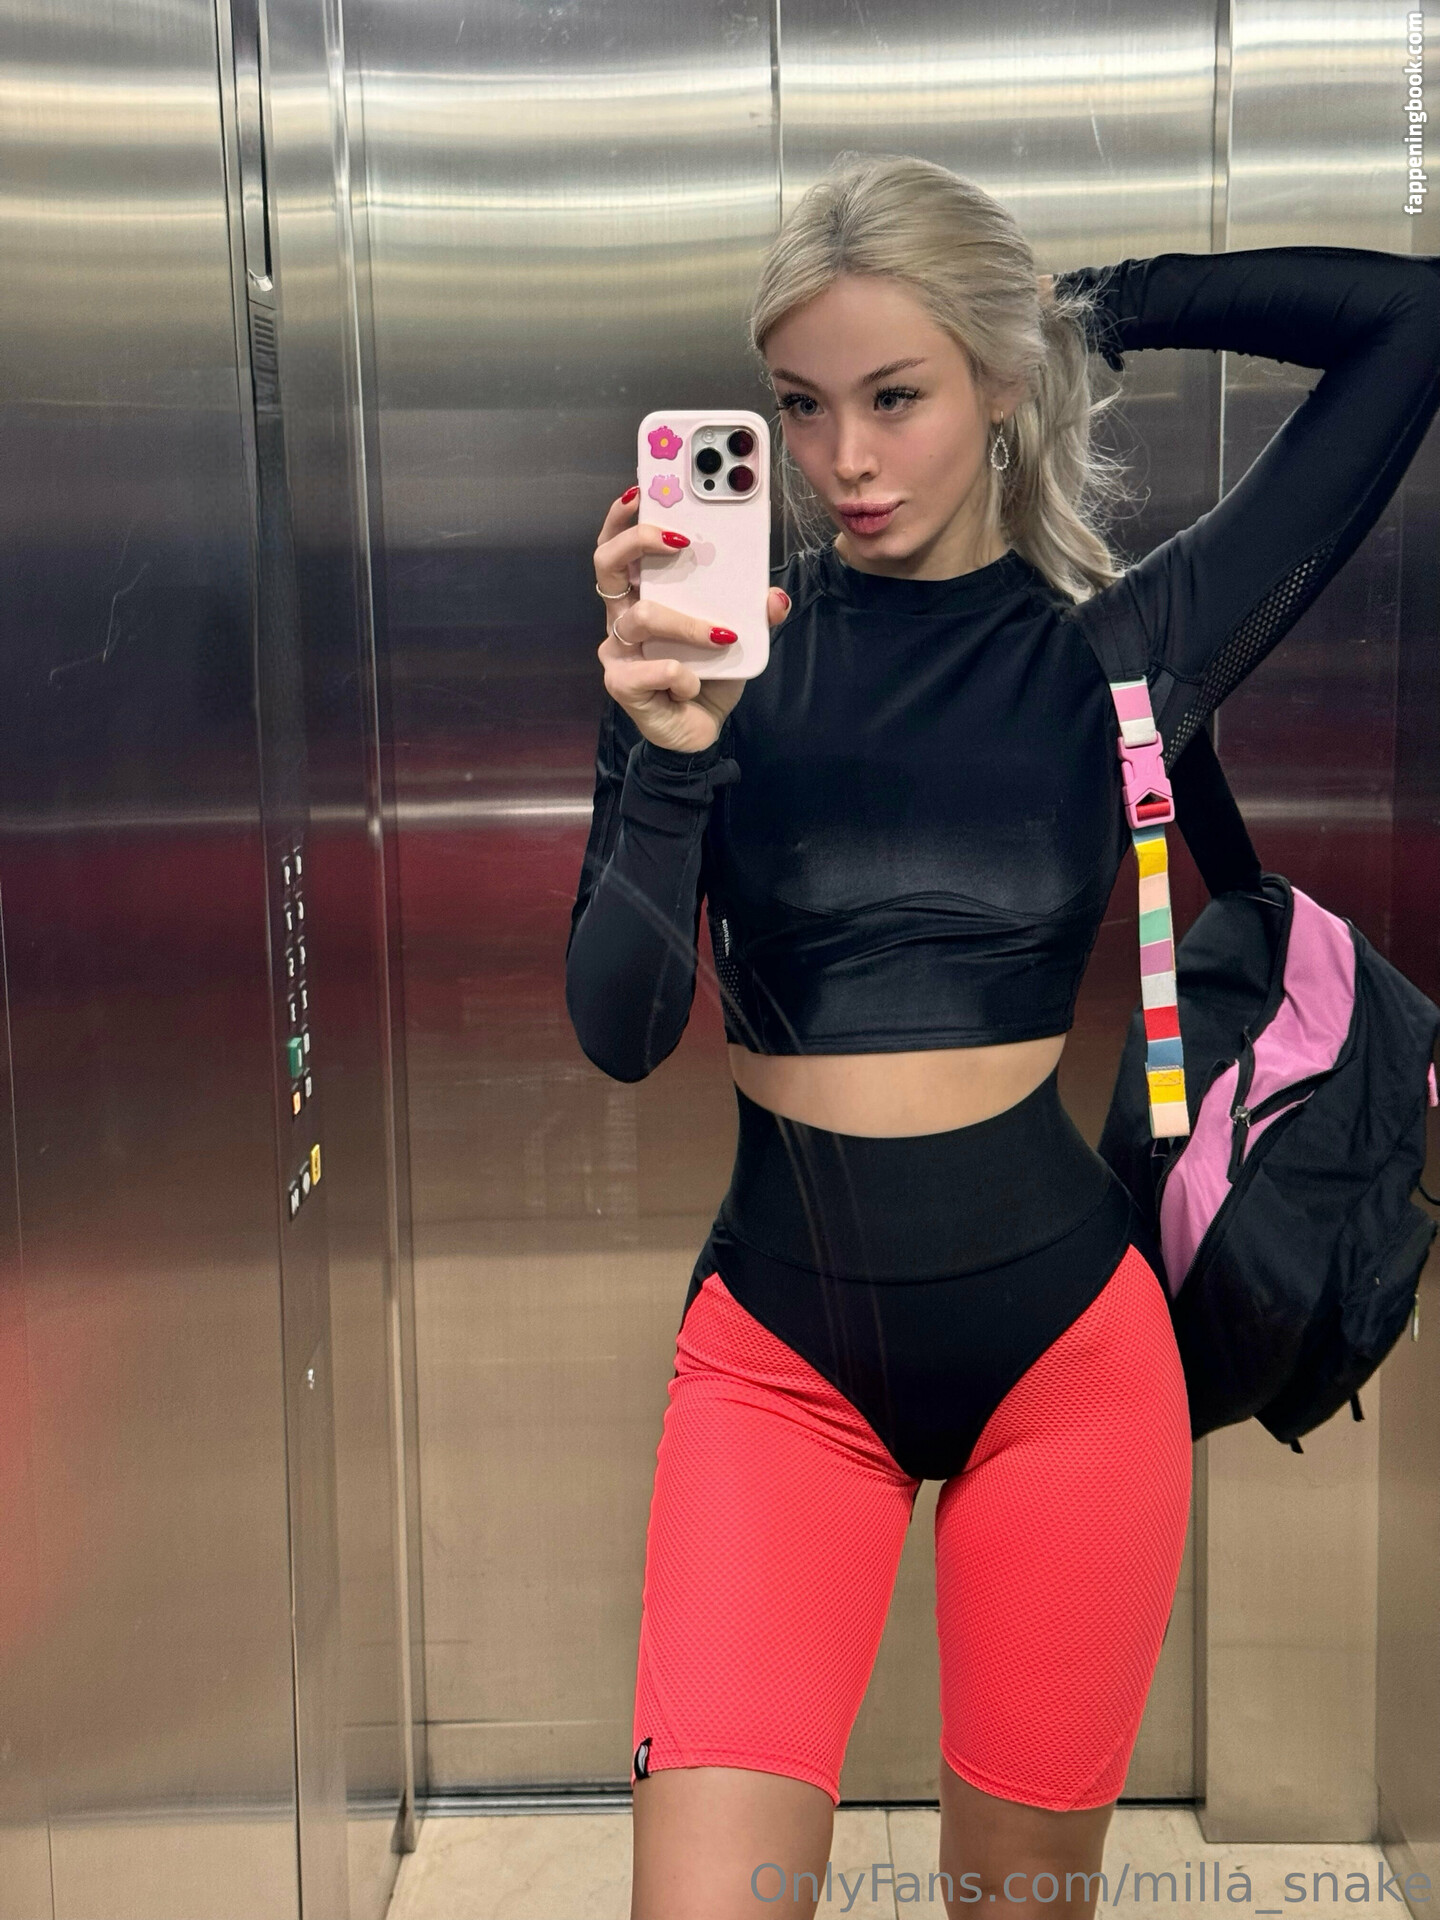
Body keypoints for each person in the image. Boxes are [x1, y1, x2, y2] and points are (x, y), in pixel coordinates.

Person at [566, 152, 1440, 1920]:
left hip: (1068, 1366)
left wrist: (1095, 305)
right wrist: (666, 761)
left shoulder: (1120, 653)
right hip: (777, 1363)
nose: (845, 459)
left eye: (896, 395)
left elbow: (1410, 324)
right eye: (801, 406)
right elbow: (620, 1028)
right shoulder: (710, 660)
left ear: (996, 384)